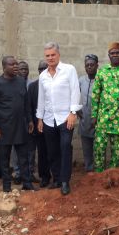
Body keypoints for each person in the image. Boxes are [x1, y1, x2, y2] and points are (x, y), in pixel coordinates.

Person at [37, 41, 81, 195]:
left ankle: (64, 181)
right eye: (47, 56)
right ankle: (56, 179)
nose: (50, 58)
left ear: (58, 55)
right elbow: (41, 99)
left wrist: (73, 113)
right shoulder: (43, 76)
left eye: (53, 55)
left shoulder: (69, 70)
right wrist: (40, 118)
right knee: (52, 150)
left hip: (65, 118)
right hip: (49, 119)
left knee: (65, 148)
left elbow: (75, 91)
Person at [0, 56, 36, 193]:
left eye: (16, 64)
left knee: (24, 157)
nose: (15, 66)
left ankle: (27, 183)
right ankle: (7, 186)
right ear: (4, 67)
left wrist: (30, 120)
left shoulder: (21, 82)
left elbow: (26, 103)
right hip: (4, 128)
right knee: (4, 160)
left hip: (21, 126)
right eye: (12, 64)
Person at [91, 42, 119, 172]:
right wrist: (94, 115)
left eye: (117, 53)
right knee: (99, 150)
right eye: (112, 53)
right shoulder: (102, 72)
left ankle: (111, 175)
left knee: (117, 152)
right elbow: (96, 95)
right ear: (108, 55)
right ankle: (99, 176)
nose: (115, 55)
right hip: (103, 120)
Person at [28, 60, 51, 187]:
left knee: (53, 151)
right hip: (39, 126)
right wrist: (32, 122)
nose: (42, 71)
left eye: (45, 68)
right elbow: (30, 107)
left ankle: (57, 176)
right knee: (42, 152)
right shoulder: (32, 87)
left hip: (53, 125)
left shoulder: (55, 84)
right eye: (40, 69)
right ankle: (45, 177)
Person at [11, 60, 33, 184]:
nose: (24, 71)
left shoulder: (32, 84)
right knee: (16, 149)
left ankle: (29, 172)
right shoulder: (13, 84)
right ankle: (18, 172)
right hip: (16, 122)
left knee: (30, 148)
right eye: (21, 69)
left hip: (29, 121)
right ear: (17, 70)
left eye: (26, 69)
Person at [79, 54, 98, 172]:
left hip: (97, 120)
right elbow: (74, 95)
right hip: (84, 119)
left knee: (98, 148)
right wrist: (76, 110)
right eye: (87, 65)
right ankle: (88, 169)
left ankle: (98, 170)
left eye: (92, 65)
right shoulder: (81, 80)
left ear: (97, 66)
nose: (89, 67)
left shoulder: (101, 79)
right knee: (86, 147)